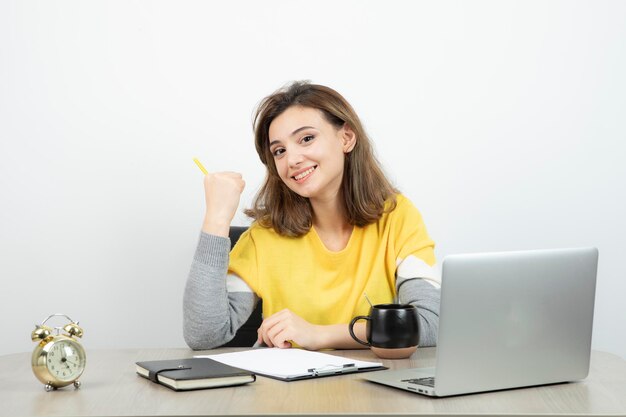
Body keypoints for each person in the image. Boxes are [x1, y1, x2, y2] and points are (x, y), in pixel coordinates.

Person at [183, 81, 440, 350]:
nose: (291, 159)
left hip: (371, 388)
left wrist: (321, 335)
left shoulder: (397, 218)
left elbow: (430, 324)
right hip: (284, 390)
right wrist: (217, 218)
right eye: (279, 151)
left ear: (346, 138)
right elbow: (204, 334)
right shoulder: (264, 238)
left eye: (306, 138)